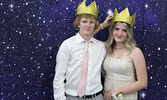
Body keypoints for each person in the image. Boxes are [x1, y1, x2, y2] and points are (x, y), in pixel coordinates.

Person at [53, 0, 113, 100]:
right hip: (72, 96)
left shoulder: (100, 47)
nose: (88, 25)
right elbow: (59, 76)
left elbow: (106, 71)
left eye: (91, 22)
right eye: (84, 21)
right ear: (78, 24)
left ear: (95, 25)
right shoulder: (67, 45)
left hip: (96, 96)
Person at [100, 8, 148, 100]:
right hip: (107, 97)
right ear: (112, 31)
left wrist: (117, 91)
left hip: (127, 96)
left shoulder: (135, 52)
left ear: (128, 33)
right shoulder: (107, 48)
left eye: (124, 30)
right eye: (117, 29)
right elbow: (87, 38)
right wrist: (103, 25)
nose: (119, 33)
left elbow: (143, 82)